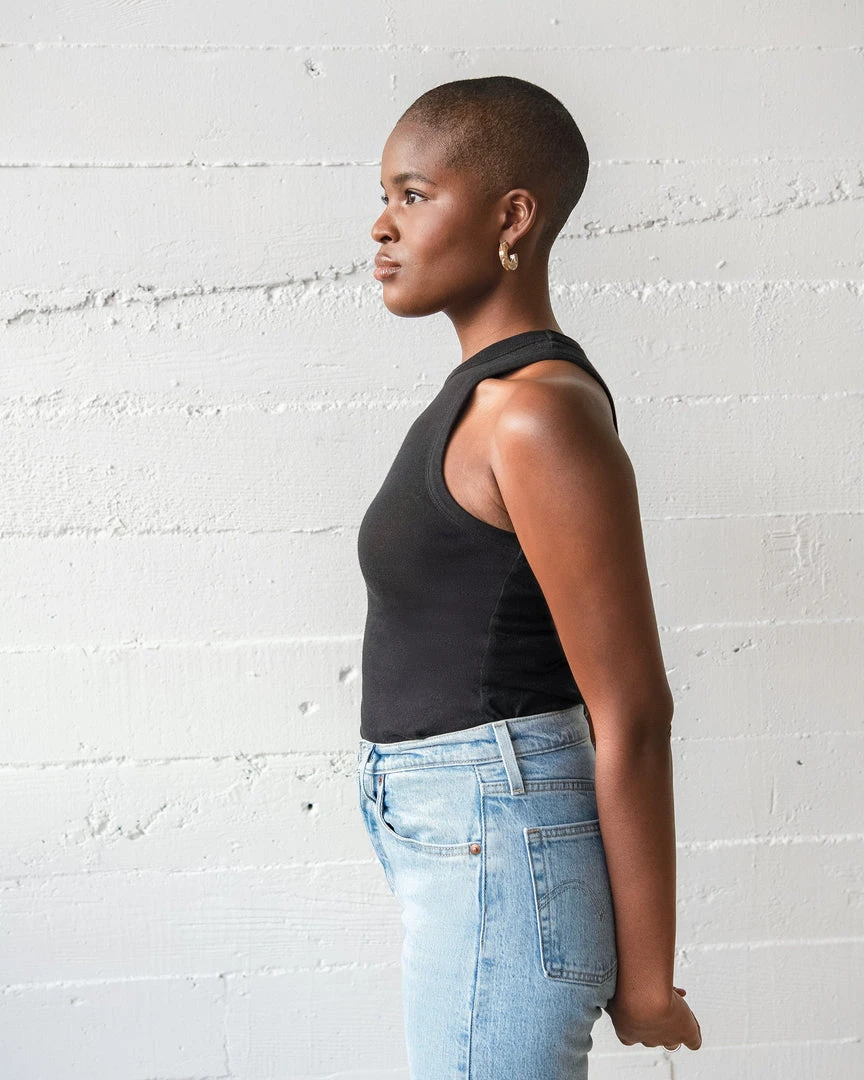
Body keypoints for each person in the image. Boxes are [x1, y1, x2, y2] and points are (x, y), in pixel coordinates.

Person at [354, 75, 702, 1079]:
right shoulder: (482, 401)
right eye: (384, 196)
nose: (382, 225)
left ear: (513, 218)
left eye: (415, 195)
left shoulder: (535, 415)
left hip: (497, 839)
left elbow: (632, 708)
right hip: (462, 835)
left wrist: (648, 979)